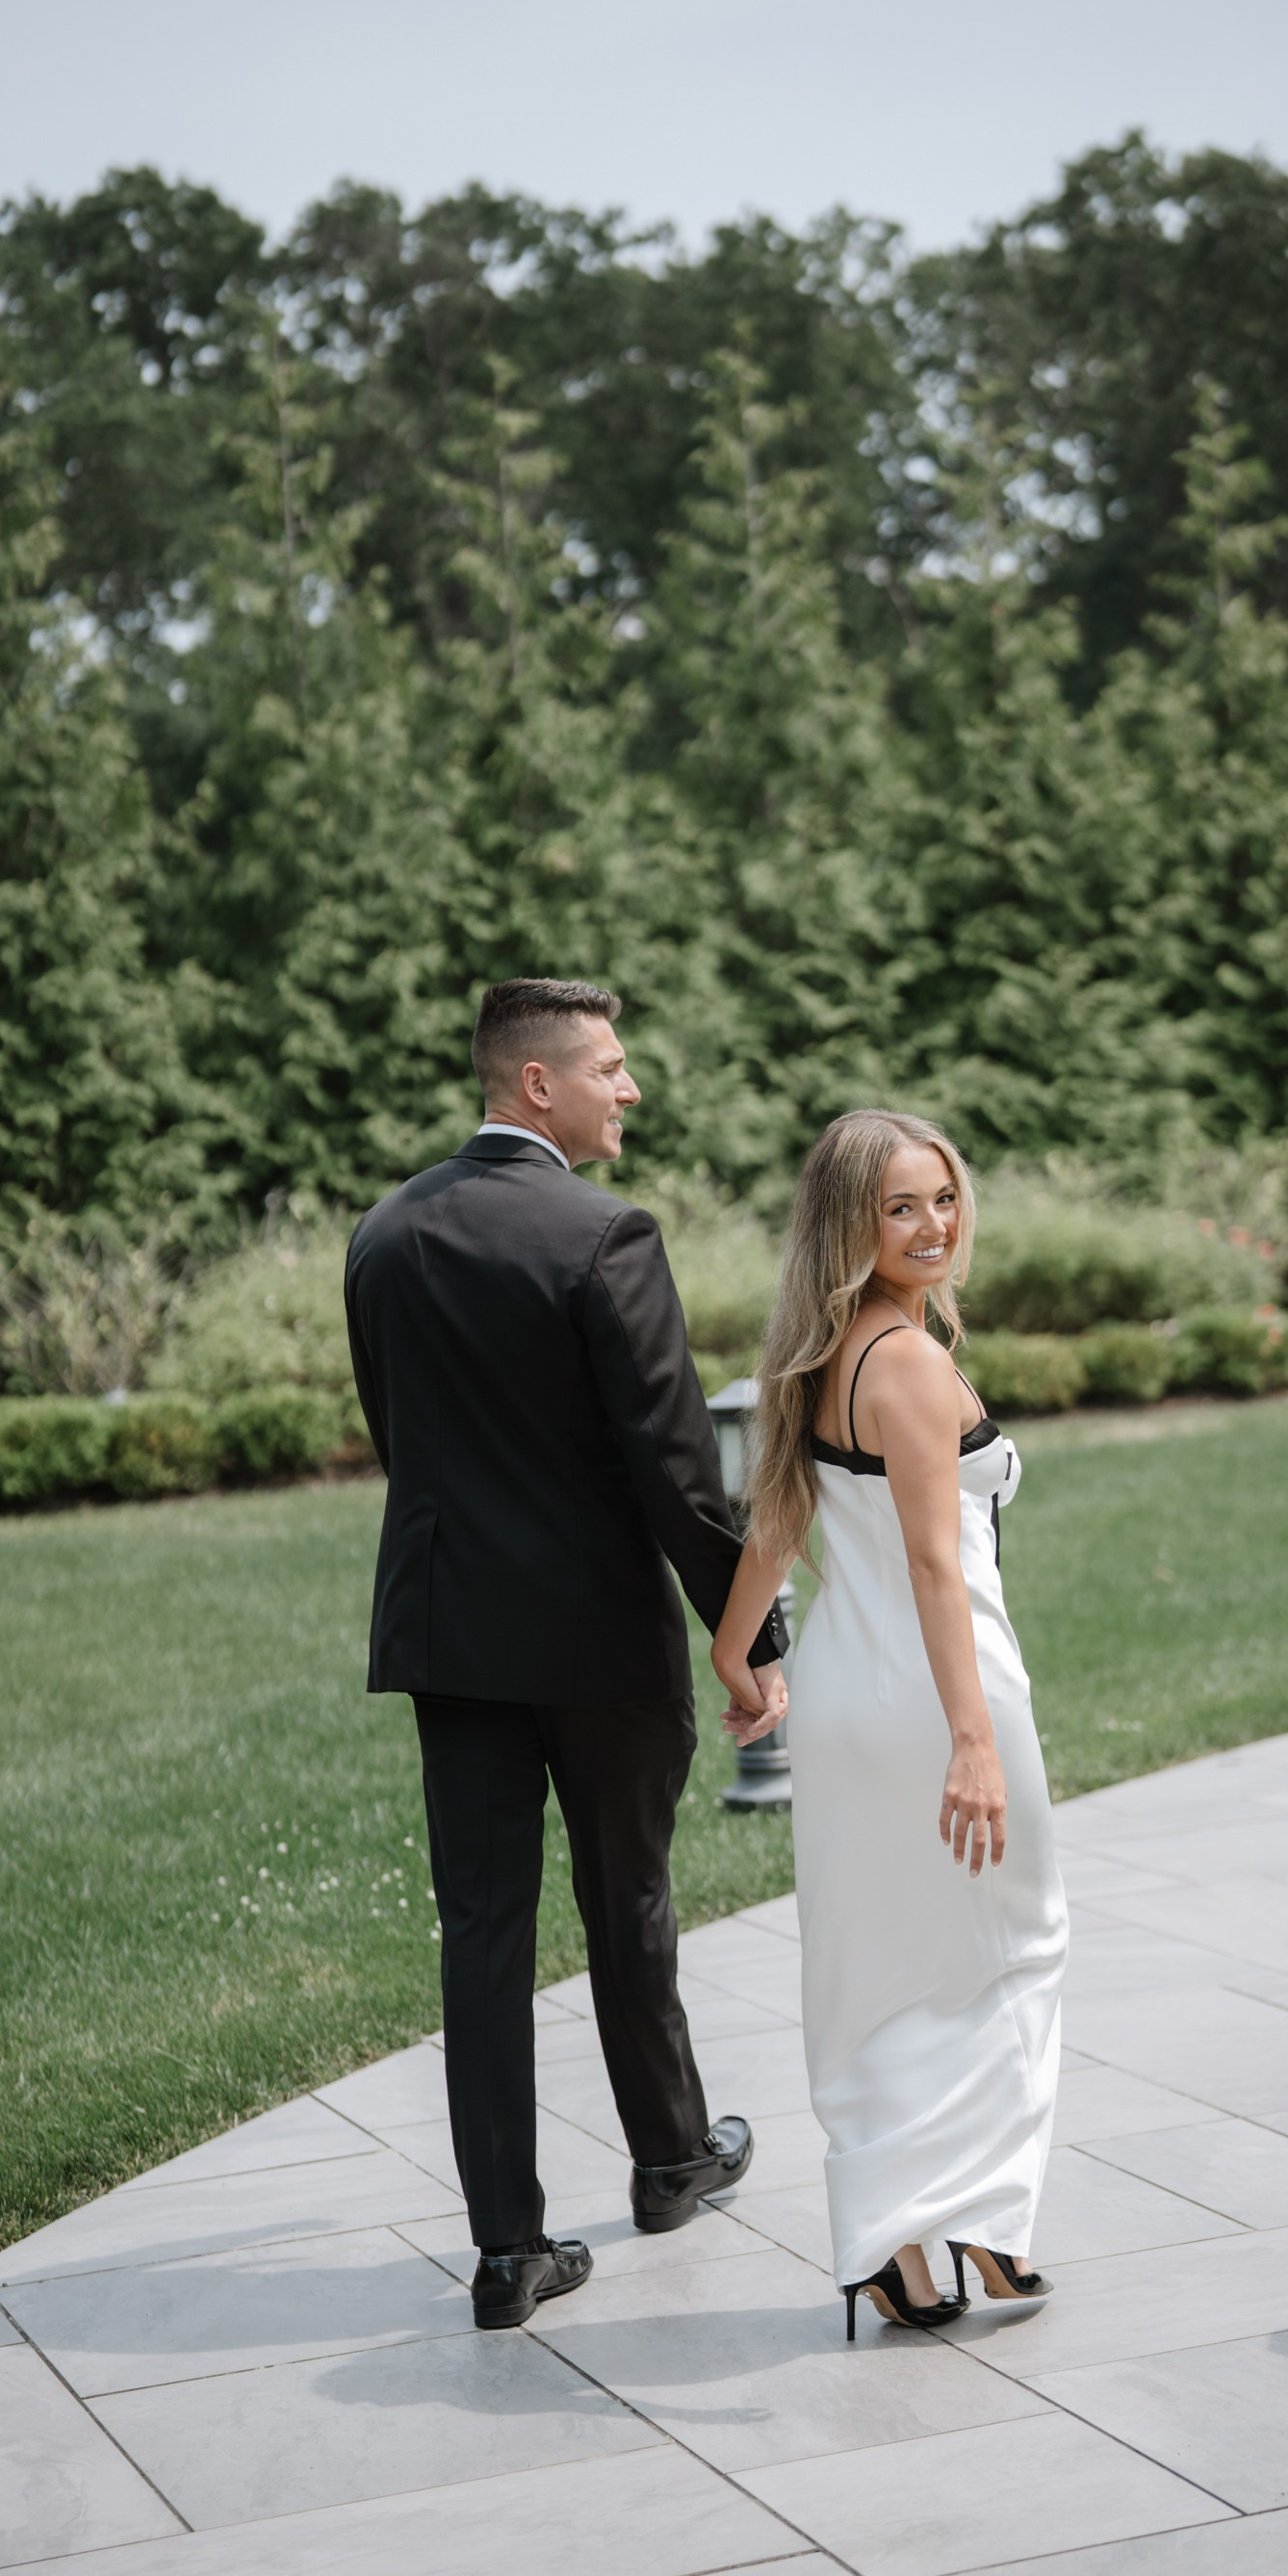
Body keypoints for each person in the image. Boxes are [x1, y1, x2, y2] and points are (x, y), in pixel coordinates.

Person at [345, 979, 787, 2331]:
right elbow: (673, 1470)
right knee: (628, 1901)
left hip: (451, 1634)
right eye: (608, 1067)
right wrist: (753, 1634)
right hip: (599, 1638)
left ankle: (506, 2251)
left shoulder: (384, 1233)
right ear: (534, 1085)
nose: (629, 1089)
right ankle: (669, 2162)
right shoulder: (606, 1237)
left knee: (482, 1933)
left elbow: (399, 1435)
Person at [712, 1110, 1067, 2337]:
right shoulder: (906, 1363)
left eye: (944, 1199)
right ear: (850, 1224)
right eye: (900, 1207)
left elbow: (776, 1521)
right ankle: (981, 2222)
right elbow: (930, 1564)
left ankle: (895, 2250)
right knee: (1009, 1950)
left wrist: (735, 1648)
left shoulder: (818, 1353)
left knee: (881, 1967)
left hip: (847, 1703)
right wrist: (971, 1741)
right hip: (936, 1697)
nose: (932, 1227)